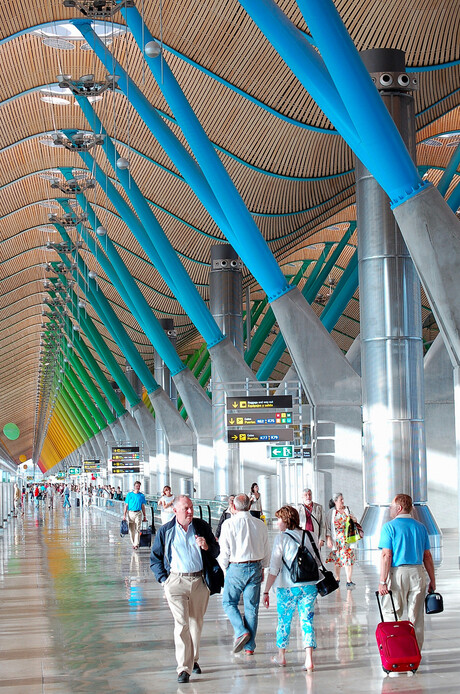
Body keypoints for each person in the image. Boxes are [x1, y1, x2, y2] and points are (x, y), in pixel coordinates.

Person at [150, 495, 220, 683]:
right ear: (175, 511)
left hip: (199, 581)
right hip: (176, 583)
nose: (190, 511)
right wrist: (164, 580)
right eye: (186, 509)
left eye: (191, 508)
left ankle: (193, 659)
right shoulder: (166, 531)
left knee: (196, 624)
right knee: (181, 624)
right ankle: (183, 668)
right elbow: (155, 558)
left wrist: (206, 546)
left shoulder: (202, 526)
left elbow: (216, 551)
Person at [263, 506, 323, 671]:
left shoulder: (281, 538)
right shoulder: (310, 535)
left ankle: (281, 656)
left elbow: (274, 568)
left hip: (287, 587)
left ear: (286, 520)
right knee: (307, 621)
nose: (277, 523)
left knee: (284, 621)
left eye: (279, 520)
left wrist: (266, 590)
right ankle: (309, 660)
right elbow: (318, 561)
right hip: (309, 586)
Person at [378, 493, 436, 649]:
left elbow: (386, 555)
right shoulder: (421, 527)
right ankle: (415, 653)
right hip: (418, 573)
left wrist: (383, 581)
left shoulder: (389, 527)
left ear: (399, 508)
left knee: (392, 612)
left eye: (391, 506)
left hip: (397, 574)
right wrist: (432, 580)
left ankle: (396, 650)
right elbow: (427, 556)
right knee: (416, 616)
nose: (389, 509)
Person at [218, 493, 270, 655]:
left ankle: (241, 631)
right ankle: (249, 648)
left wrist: (225, 569)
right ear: (249, 506)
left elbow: (224, 551)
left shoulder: (229, 524)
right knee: (251, 608)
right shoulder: (260, 524)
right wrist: (263, 568)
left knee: (228, 602)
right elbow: (266, 548)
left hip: (236, 566)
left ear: (233, 506)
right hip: (255, 567)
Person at [325, 492, 357, 589]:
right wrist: (328, 538)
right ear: (335, 502)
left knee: (349, 560)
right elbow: (327, 527)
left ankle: (349, 580)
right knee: (338, 560)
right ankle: (337, 578)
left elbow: (355, 520)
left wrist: (353, 519)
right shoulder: (331, 512)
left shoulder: (347, 509)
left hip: (347, 539)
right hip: (337, 540)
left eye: (343, 499)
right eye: (340, 500)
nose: (342, 501)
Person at [123, 481, 147, 549]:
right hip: (130, 513)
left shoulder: (141, 495)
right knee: (131, 530)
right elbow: (126, 505)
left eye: (139, 486)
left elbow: (143, 506)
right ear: (134, 486)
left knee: (137, 529)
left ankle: (136, 544)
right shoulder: (129, 495)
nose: (138, 487)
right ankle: (133, 542)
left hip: (138, 513)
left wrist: (144, 516)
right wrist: (124, 515)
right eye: (137, 486)